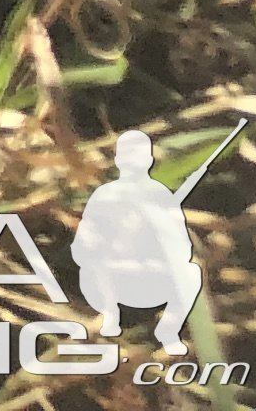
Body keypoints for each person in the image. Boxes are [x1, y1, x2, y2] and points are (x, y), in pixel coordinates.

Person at [72, 129, 202, 353]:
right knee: (97, 266)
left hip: (151, 273)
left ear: (149, 159)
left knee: (192, 272)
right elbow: (83, 243)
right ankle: (109, 318)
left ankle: (168, 331)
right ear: (119, 160)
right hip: (109, 274)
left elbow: (183, 245)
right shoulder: (105, 194)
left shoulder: (161, 195)